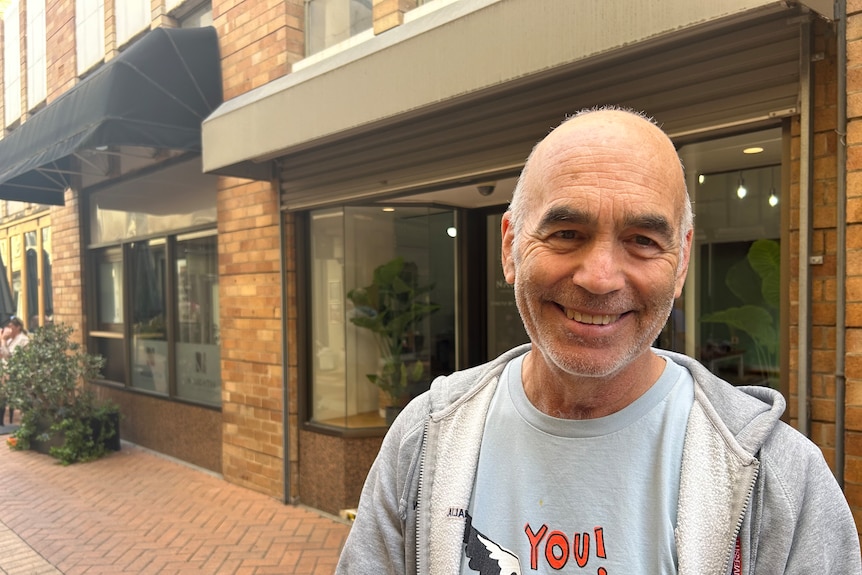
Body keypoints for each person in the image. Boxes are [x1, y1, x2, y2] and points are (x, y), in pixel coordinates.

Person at [335, 108, 862, 574]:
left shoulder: (782, 479)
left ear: (679, 263)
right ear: (511, 247)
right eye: (567, 233)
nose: (601, 277)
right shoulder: (424, 441)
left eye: (642, 240)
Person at [0, 316, 29, 425]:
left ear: (18, 327)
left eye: (10, 326)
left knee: (2, 393)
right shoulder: (11, 339)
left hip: (14, 373)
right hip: (5, 371)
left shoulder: (23, 340)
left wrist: (3, 340)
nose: (7, 329)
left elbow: (9, 357)